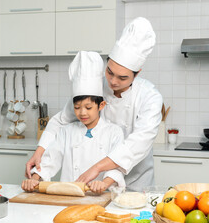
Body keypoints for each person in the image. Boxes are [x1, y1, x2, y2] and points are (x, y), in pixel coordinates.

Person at [26, 17, 163, 192]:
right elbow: (60, 121)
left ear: (137, 74)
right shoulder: (94, 88)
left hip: (137, 180)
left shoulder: (150, 97)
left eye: (122, 78)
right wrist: (39, 152)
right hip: (95, 185)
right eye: (110, 72)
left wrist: (97, 168)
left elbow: (139, 143)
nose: (112, 81)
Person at [22, 51, 125, 194]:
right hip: (68, 197)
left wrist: (103, 183)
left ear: (101, 106)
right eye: (77, 107)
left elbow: (117, 165)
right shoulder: (67, 131)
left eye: (88, 107)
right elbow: (50, 159)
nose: (82, 113)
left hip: (99, 197)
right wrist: (34, 178)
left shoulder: (113, 132)